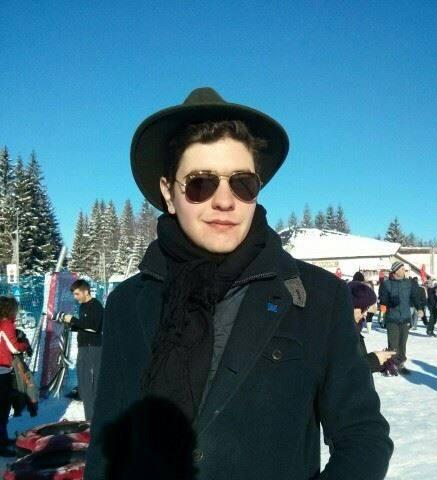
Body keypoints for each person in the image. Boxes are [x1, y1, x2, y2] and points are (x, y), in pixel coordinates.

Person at [85, 87, 393, 480]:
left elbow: (364, 438)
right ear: (169, 193)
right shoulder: (128, 303)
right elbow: (107, 448)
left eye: (242, 183)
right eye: (200, 183)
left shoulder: (316, 296)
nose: (225, 201)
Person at [62, 279, 103, 421]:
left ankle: (93, 419)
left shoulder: (95, 305)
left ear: (86, 291)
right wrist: (70, 325)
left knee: (92, 386)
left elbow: (93, 327)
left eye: (77, 294)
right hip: (84, 347)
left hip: (93, 348)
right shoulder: (83, 306)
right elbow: (84, 326)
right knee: (84, 386)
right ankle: (89, 419)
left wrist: (72, 319)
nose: (76, 297)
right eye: (74, 294)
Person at [378, 261, 423, 375]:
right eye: (402, 269)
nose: (404, 271)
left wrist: (419, 308)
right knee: (393, 345)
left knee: (402, 344)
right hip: (392, 319)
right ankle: (390, 366)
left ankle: (401, 365)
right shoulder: (386, 284)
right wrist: (389, 303)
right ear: (396, 271)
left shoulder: (409, 283)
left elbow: (415, 297)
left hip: (405, 318)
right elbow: (382, 301)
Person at [0, 296, 29, 457]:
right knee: (3, 407)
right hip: (2, 370)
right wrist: (24, 344)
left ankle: (3, 439)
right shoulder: (6, 324)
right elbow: (14, 348)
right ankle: (1, 444)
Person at [347, 281, 396, 373]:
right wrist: (374, 360)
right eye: (363, 309)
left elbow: (358, 361)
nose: (365, 314)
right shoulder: (340, 334)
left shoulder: (354, 328)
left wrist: (380, 361)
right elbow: (345, 371)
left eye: (367, 308)